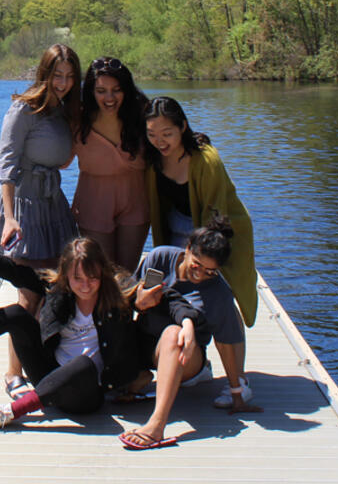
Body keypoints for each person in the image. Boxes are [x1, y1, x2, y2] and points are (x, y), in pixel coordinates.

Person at [0, 225, 207, 450]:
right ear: (66, 275)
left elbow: (169, 298)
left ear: (103, 273)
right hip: (48, 375)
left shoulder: (118, 292)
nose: (85, 285)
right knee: (18, 314)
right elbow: (15, 273)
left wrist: (186, 323)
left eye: (92, 277)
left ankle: (8, 413)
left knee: (82, 363)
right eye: (77, 278)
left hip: (88, 391)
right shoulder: (59, 290)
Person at [0, 43, 81, 397]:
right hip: (23, 205)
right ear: (44, 73)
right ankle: (13, 373)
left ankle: (44, 361)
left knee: (55, 287)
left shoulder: (64, 112)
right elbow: (5, 166)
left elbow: (64, 159)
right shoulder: (23, 108)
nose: (63, 83)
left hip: (53, 205)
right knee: (28, 294)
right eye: (57, 75)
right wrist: (8, 218)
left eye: (69, 77)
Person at [143, 96, 257, 409]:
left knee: (220, 298)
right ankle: (200, 365)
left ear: (182, 127)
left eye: (167, 133)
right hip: (179, 229)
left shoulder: (206, 159)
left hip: (220, 231)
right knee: (180, 296)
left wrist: (203, 260)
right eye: (152, 134)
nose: (159, 141)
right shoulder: (153, 160)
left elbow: (216, 216)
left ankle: (240, 381)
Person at [135, 215, 261, 413]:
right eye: (196, 265)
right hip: (146, 341)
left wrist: (237, 392)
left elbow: (226, 343)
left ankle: (193, 377)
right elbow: (134, 298)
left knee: (174, 334)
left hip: (186, 353)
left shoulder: (218, 292)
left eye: (210, 272)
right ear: (187, 248)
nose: (200, 275)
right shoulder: (160, 259)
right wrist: (140, 302)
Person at [69, 57, 150, 270]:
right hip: (93, 203)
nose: (109, 97)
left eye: (116, 90)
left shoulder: (142, 115)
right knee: (101, 273)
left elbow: (172, 139)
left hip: (136, 203)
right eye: (101, 90)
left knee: (125, 274)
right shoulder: (78, 119)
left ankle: (125, 304)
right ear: (90, 92)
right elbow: (58, 158)